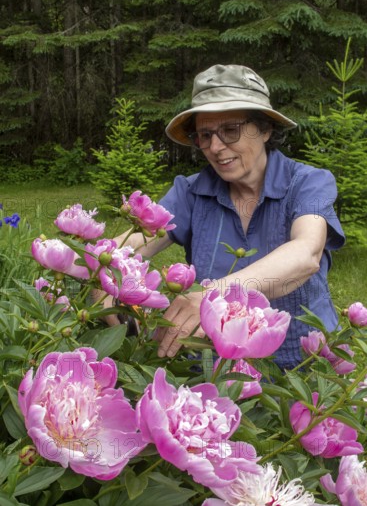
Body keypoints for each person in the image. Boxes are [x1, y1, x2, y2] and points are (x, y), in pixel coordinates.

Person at [111, 64, 345, 370]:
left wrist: (210, 299)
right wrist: (104, 275)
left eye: (230, 130)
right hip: (213, 372)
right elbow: (133, 243)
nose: (216, 147)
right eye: (205, 135)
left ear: (265, 129)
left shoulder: (308, 183)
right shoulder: (191, 192)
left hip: (300, 368)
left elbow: (306, 254)